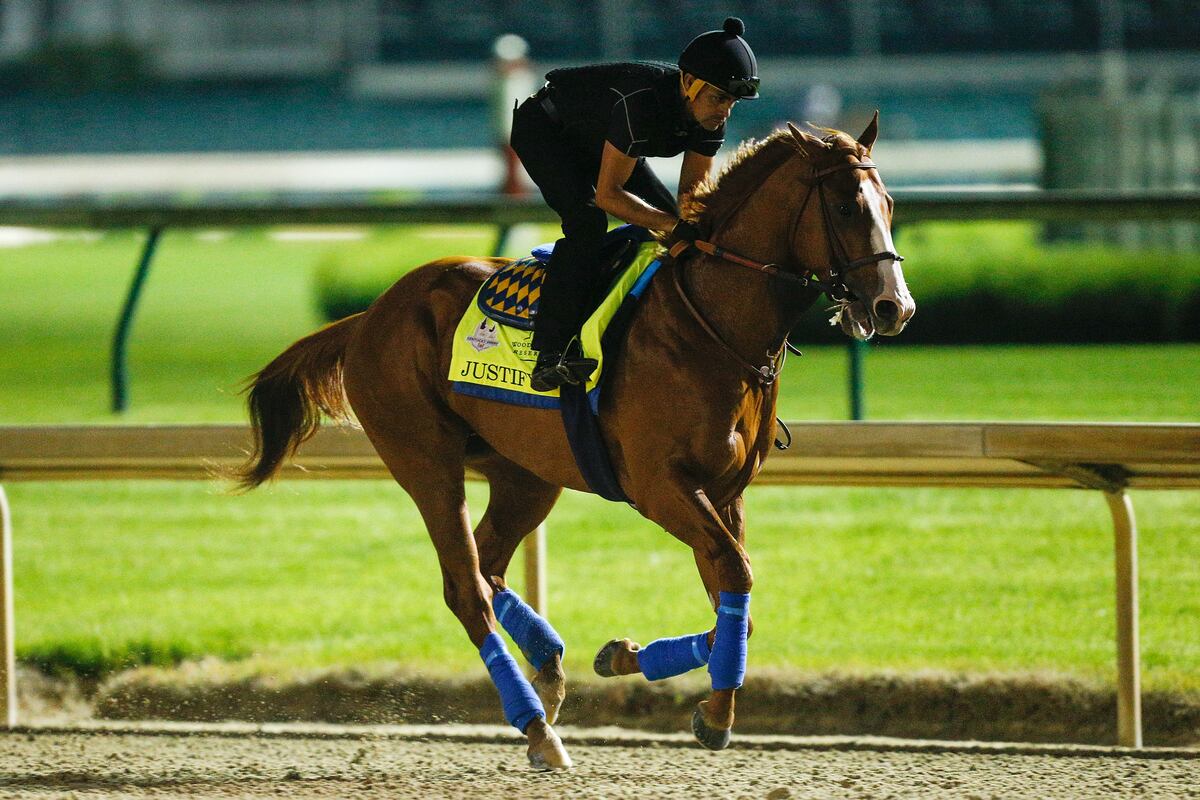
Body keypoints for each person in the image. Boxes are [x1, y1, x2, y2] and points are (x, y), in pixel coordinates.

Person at [510, 17, 760, 392]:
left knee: (678, 228)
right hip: (546, 131)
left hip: (603, 139)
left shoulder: (711, 120)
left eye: (733, 102)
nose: (725, 111)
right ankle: (551, 352)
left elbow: (690, 199)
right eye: (719, 98)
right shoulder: (641, 104)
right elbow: (609, 196)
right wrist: (673, 226)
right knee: (588, 224)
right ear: (688, 84)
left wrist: (699, 230)